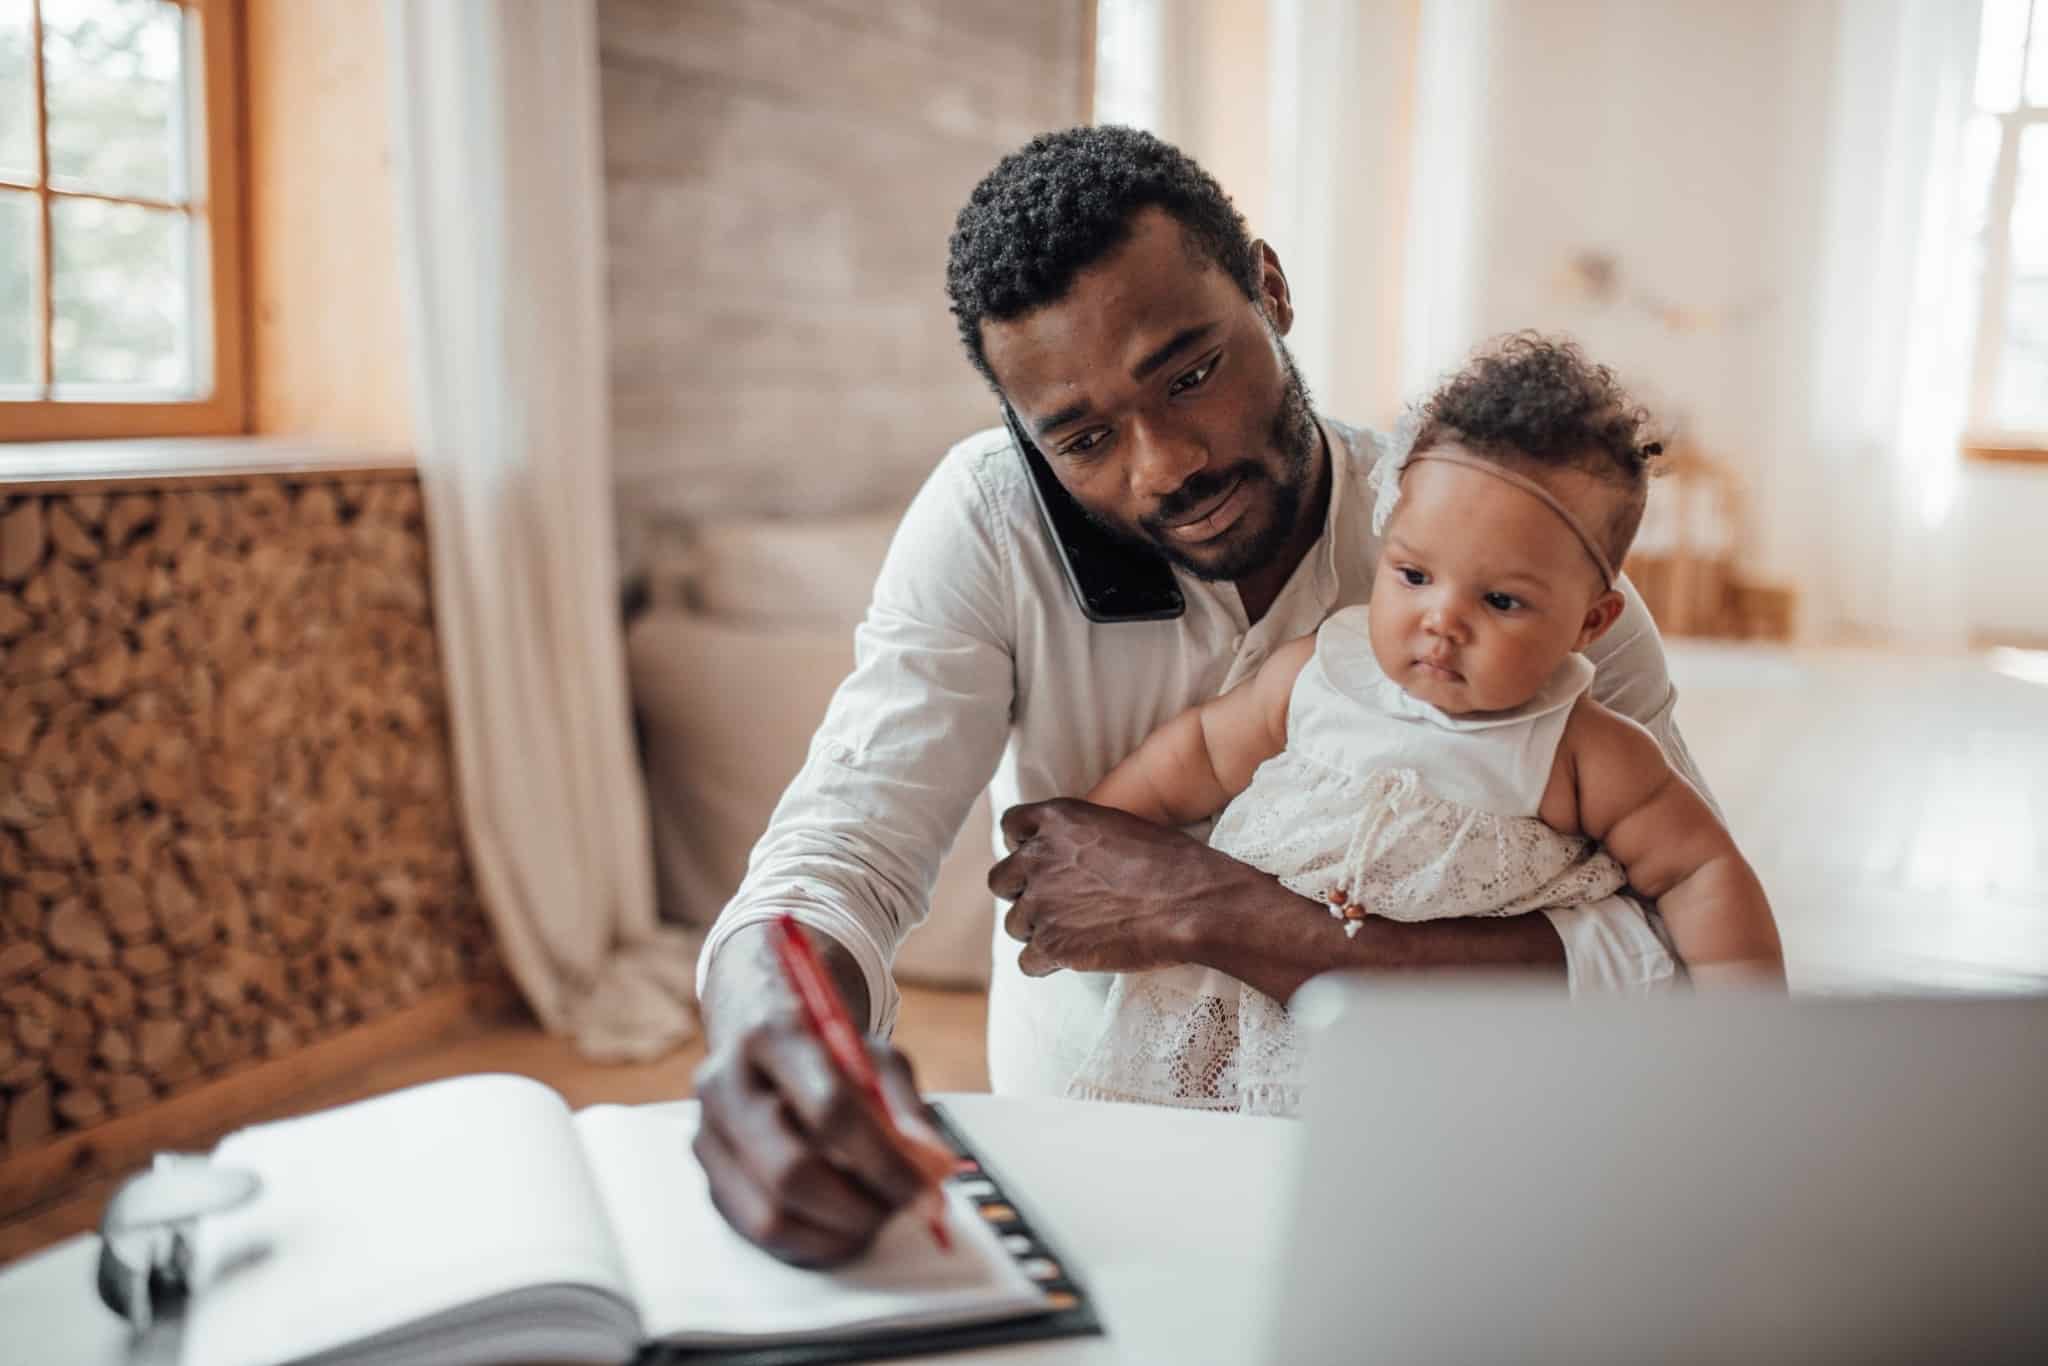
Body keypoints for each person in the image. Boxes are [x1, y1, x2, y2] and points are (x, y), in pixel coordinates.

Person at [690, 126, 1716, 1267]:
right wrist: (771, 1024)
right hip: (1090, 1165)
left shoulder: (1505, 551)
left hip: (1439, 1184)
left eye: (1188, 375)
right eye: (1082, 438)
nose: (1163, 464)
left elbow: (1671, 947)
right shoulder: (989, 521)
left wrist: (1220, 912)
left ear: (1268, 289)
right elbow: (839, 848)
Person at [1068, 333, 1785, 1116]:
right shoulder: (1322, 672)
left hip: (1446, 1069)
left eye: (1501, 601)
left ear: (1591, 621)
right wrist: (1097, 828)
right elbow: (1201, 751)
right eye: (1413, 576)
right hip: (1239, 1030)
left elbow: (1696, 871)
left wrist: (1744, 1035)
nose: (1442, 621)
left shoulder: (1581, 750)